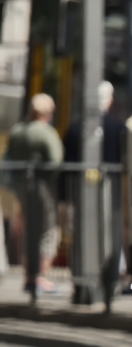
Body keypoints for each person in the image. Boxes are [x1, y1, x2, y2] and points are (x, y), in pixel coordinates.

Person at [3, 94, 64, 293]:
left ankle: (29, 276)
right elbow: (56, 160)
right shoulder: (45, 132)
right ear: (48, 113)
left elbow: (8, 156)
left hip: (21, 185)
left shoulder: (18, 130)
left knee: (29, 229)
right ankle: (40, 276)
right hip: (42, 186)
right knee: (48, 230)